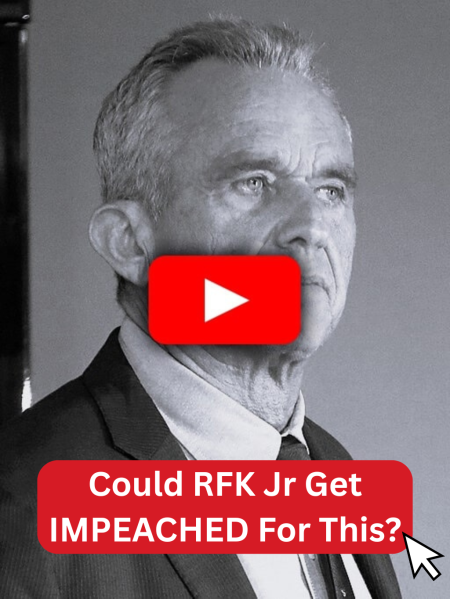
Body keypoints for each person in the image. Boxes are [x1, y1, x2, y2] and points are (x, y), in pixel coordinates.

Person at [0, 17, 402, 599]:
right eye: (254, 182)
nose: (313, 226)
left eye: (330, 190)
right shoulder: (23, 512)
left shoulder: (334, 468)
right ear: (130, 243)